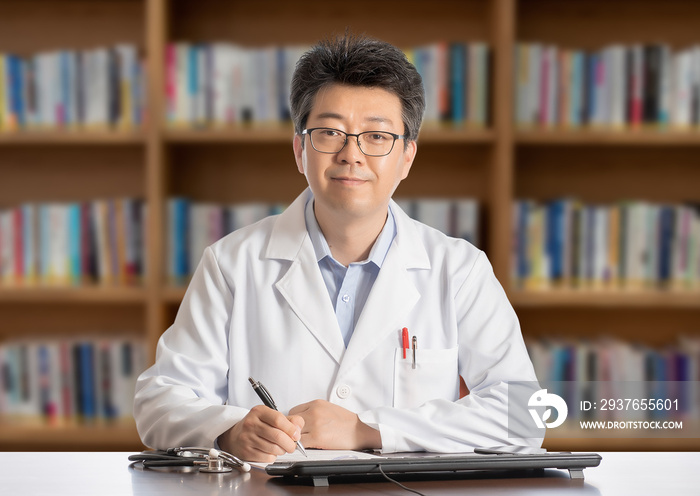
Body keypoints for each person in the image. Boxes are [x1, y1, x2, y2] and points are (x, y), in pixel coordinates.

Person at [134, 33, 542, 463]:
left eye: (377, 136)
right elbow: (159, 401)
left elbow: (525, 416)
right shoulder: (232, 264)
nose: (352, 154)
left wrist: (369, 430)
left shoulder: (458, 269)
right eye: (330, 132)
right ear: (299, 150)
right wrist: (227, 430)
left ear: (406, 157)